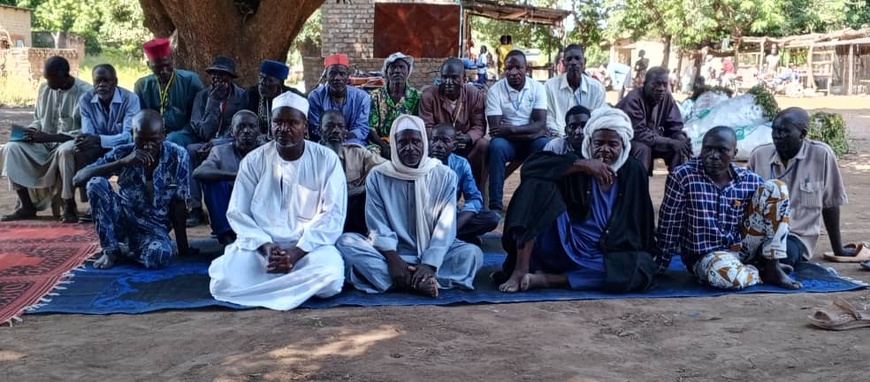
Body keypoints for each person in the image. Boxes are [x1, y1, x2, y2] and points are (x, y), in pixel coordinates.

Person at [208, 91, 347, 311]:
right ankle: (292, 286)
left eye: (292, 123)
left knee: (331, 278)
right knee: (224, 277)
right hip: (262, 249)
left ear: (305, 126)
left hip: (308, 248)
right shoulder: (253, 161)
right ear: (270, 125)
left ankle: (266, 287)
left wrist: (296, 252)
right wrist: (267, 247)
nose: (283, 128)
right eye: (278, 122)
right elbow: (238, 213)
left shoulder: (326, 160)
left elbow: (332, 215)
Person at [495, 108, 658, 293]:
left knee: (641, 266)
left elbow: (643, 218)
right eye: (599, 143)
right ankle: (520, 269)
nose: (604, 150)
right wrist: (582, 165)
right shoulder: (579, 163)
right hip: (566, 243)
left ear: (624, 145)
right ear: (589, 143)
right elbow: (531, 168)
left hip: (605, 251)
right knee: (536, 184)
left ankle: (554, 280)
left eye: (612, 144)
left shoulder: (633, 171)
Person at [336, 115, 483, 298]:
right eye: (402, 142)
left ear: (424, 143)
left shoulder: (445, 175)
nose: (410, 148)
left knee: (472, 254)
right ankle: (421, 282)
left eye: (416, 141)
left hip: (432, 251)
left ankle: (400, 280)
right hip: (390, 254)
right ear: (393, 144)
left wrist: (429, 264)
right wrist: (393, 260)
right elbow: (377, 224)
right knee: (346, 242)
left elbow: (445, 227)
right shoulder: (379, 176)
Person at [656, 127, 801, 290]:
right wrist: (660, 265)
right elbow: (669, 224)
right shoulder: (683, 177)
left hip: (742, 249)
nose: (713, 155)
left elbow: (773, 216)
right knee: (727, 277)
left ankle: (772, 266)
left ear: (734, 153)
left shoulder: (749, 180)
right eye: (708, 149)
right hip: (705, 257)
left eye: (722, 150)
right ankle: (759, 272)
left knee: (777, 188)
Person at [72, 110, 197, 269]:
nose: (147, 145)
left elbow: (178, 204)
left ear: (163, 135)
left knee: (159, 256)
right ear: (133, 134)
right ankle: (111, 250)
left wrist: (183, 247)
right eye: (141, 140)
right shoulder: (124, 152)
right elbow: (78, 179)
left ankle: (128, 251)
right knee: (96, 184)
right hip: (122, 219)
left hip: (154, 229)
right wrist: (122, 162)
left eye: (153, 140)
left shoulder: (178, 155)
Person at [747, 107, 851, 264]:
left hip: (795, 236)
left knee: (782, 255)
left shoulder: (821, 155)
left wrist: (838, 249)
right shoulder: (759, 155)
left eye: (784, 131)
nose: (777, 136)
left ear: (802, 134)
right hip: (759, 233)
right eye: (774, 130)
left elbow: (830, 204)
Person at [0, 56, 92, 223]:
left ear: (65, 76)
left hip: (68, 142)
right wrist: (32, 131)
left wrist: (49, 137)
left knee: (66, 152)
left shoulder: (85, 92)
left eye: (52, 79)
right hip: (43, 144)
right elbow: (38, 119)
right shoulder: (44, 88)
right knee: (11, 148)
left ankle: (69, 204)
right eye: (47, 78)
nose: (48, 83)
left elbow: (86, 131)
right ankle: (26, 206)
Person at [185, 56, 248, 226]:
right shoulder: (202, 96)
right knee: (191, 151)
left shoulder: (242, 96)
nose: (217, 78)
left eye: (222, 74)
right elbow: (202, 131)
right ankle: (195, 207)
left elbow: (243, 130)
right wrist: (213, 103)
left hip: (230, 143)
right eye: (214, 74)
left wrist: (216, 144)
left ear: (231, 77)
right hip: (205, 142)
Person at [75, 64, 141, 222]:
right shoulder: (85, 100)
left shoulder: (130, 99)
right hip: (98, 147)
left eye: (106, 80)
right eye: (97, 81)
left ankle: (129, 204)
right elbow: (89, 134)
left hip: (124, 148)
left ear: (115, 82)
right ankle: (93, 202)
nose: (102, 85)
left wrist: (99, 139)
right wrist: (88, 140)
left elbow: (128, 136)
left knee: (134, 151)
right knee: (80, 150)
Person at [486, 50, 549, 215]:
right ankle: (495, 206)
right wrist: (532, 130)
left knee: (544, 144)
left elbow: (540, 124)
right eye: (509, 68)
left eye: (518, 67)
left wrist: (511, 128)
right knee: (496, 147)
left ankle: (535, 202)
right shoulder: (495, 90)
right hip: (508, 143)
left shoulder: (537, 88)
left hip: (531, 141)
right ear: (504, 69)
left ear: (526, 68)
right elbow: (495, 129)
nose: (513, 72)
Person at [192, 110, 262, 245]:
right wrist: (237, 176)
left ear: (259, 130)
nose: (246, 131)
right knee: (212, 182)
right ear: (231, 131)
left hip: (258, 205)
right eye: (241, 126)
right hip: (230, 205)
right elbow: (198, 173)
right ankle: (227, 237)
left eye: (251, 126)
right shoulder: (220, 151)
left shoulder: (267, 151)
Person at [419, 58, 489, 191]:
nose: (448, 82)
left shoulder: (474, 94)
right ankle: (433, 191)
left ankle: (476, 191)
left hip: (465, 145)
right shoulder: (429, 96)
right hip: (439, 146)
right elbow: (426, 127)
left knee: (483, 145)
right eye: (444, 77)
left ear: (464, 79)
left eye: (454, 78)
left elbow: (479, 126)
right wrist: (444, 139)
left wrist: (468, 137)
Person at [429, 123, 499, 246]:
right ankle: (458, 237)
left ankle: (453, 235)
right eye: (434, 140)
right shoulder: (421, 162)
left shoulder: (461, 164)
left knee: (491, 219)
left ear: (454, 146)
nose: (438, 145)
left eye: (445, 141)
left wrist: (456, 226)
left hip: (451, 216)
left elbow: (474, 198)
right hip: (425, 216)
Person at [320, 109, 386, 235]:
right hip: (322, 220)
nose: (335, 130)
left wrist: (364, 188)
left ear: (345, 132)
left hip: (354, 221)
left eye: (340, 126)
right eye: (329, 126)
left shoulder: (357, 153)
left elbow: (386, 169)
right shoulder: (311, 157)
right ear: (319, 130)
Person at [616, 66, 691, 175]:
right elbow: (639, 133)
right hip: (626, 140)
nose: (661, 88)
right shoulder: (634, 99)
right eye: (656, 84)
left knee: (680, 149)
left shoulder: (667, 97)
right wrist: (670, 142)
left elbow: (675, 126)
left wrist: (680, 139)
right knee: (642, 148)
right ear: (645, 84)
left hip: (653, 139)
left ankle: (676, 183)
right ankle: (639, 184)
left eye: (665, 84)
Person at [134, 38, 204, 148]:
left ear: (172, 59)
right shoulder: (142, 85)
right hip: (153, 134)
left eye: (167, 65)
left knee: (171, 140)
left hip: (185, 133)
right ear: (149, 65)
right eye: (157, 68)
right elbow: (140, 117)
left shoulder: (190, 80)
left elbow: (197, 118)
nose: (164, 71)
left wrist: (175, 135)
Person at [544, 44, 606, 137]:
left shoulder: (597, 88)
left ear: (584, 61)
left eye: (577, 58)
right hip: (557, 138)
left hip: (587, 138)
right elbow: (549, 119)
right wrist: (564, 137)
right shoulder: (550, 86)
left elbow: (598, 119)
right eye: (569, 59)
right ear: (564, 63)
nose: (573, 62)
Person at [307, 53, 370, 144]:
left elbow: (361, 128)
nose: (337, 78)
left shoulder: (361, 97)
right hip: (325, 142)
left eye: (342, 74)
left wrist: (341, 137)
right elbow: (314, 127)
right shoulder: (315, 97)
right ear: (326, 76)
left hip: (352, 141)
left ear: (348, 75)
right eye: (332, 74)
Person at [367, 52, 420, 158]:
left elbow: (418, 127)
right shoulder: (375, 96)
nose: (397, 71)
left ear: (408, 71)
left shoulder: (417, 97)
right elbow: (371, 128)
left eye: (401, 67)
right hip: (380, 142)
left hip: (407, 142)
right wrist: (383, 145)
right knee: (372, 154)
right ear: (387, 71)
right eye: (393, 67)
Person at [244, 60, 297, 138]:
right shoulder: (251, 94)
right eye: (261, 77)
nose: (262, 82)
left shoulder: (292, 97)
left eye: (269, 80)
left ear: (279, 84)